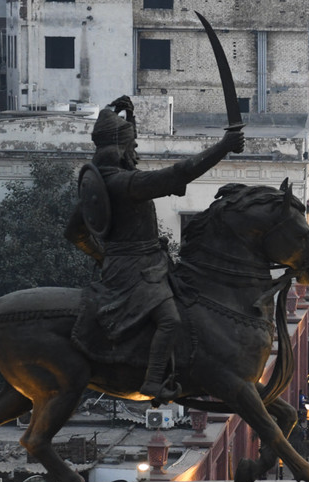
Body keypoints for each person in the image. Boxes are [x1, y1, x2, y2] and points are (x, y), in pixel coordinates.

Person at [67, 97, 244, 402]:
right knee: (170, 319)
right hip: (136, 271)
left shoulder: (103, 181)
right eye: (131, 144)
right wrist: (223, 146)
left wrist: (123, 117)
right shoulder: (126, 185)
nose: (134, 150)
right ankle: (151, 380)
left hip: (141, 264)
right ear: (122, 148)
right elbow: (179, 174)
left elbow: (75, 233)